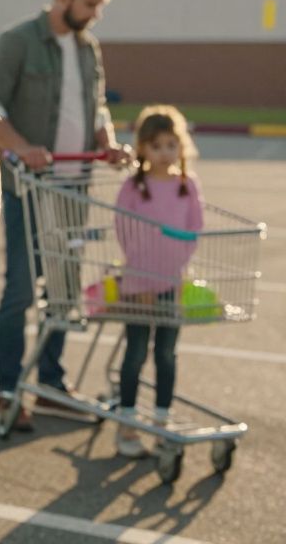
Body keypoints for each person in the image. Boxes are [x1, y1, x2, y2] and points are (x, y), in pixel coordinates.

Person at [0, 0, 131, 430]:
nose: (96, 13)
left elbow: (96, 106)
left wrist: (107, 142)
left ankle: (51, 386)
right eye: (90, 4)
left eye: (100, 5)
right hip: (29, 188)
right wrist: (22, 147)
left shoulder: (88, 48)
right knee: (22, 290)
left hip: (74, 188)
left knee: (63, 292)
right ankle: (8, 393)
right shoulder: (18, 41)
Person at [111, 105, 203, 457]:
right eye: (156, 145)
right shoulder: (134, 187)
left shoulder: (186, 186)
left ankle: (162, 421)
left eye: (171, 145)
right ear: (143, 148)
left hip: (171, 282)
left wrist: (175, 269)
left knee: (166, 353)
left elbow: (194, 228)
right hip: (138, 283)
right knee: (135, 352)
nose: (165, 152)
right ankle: (128, 422)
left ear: (181, 146)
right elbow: (123, 229)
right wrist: (141, 272)